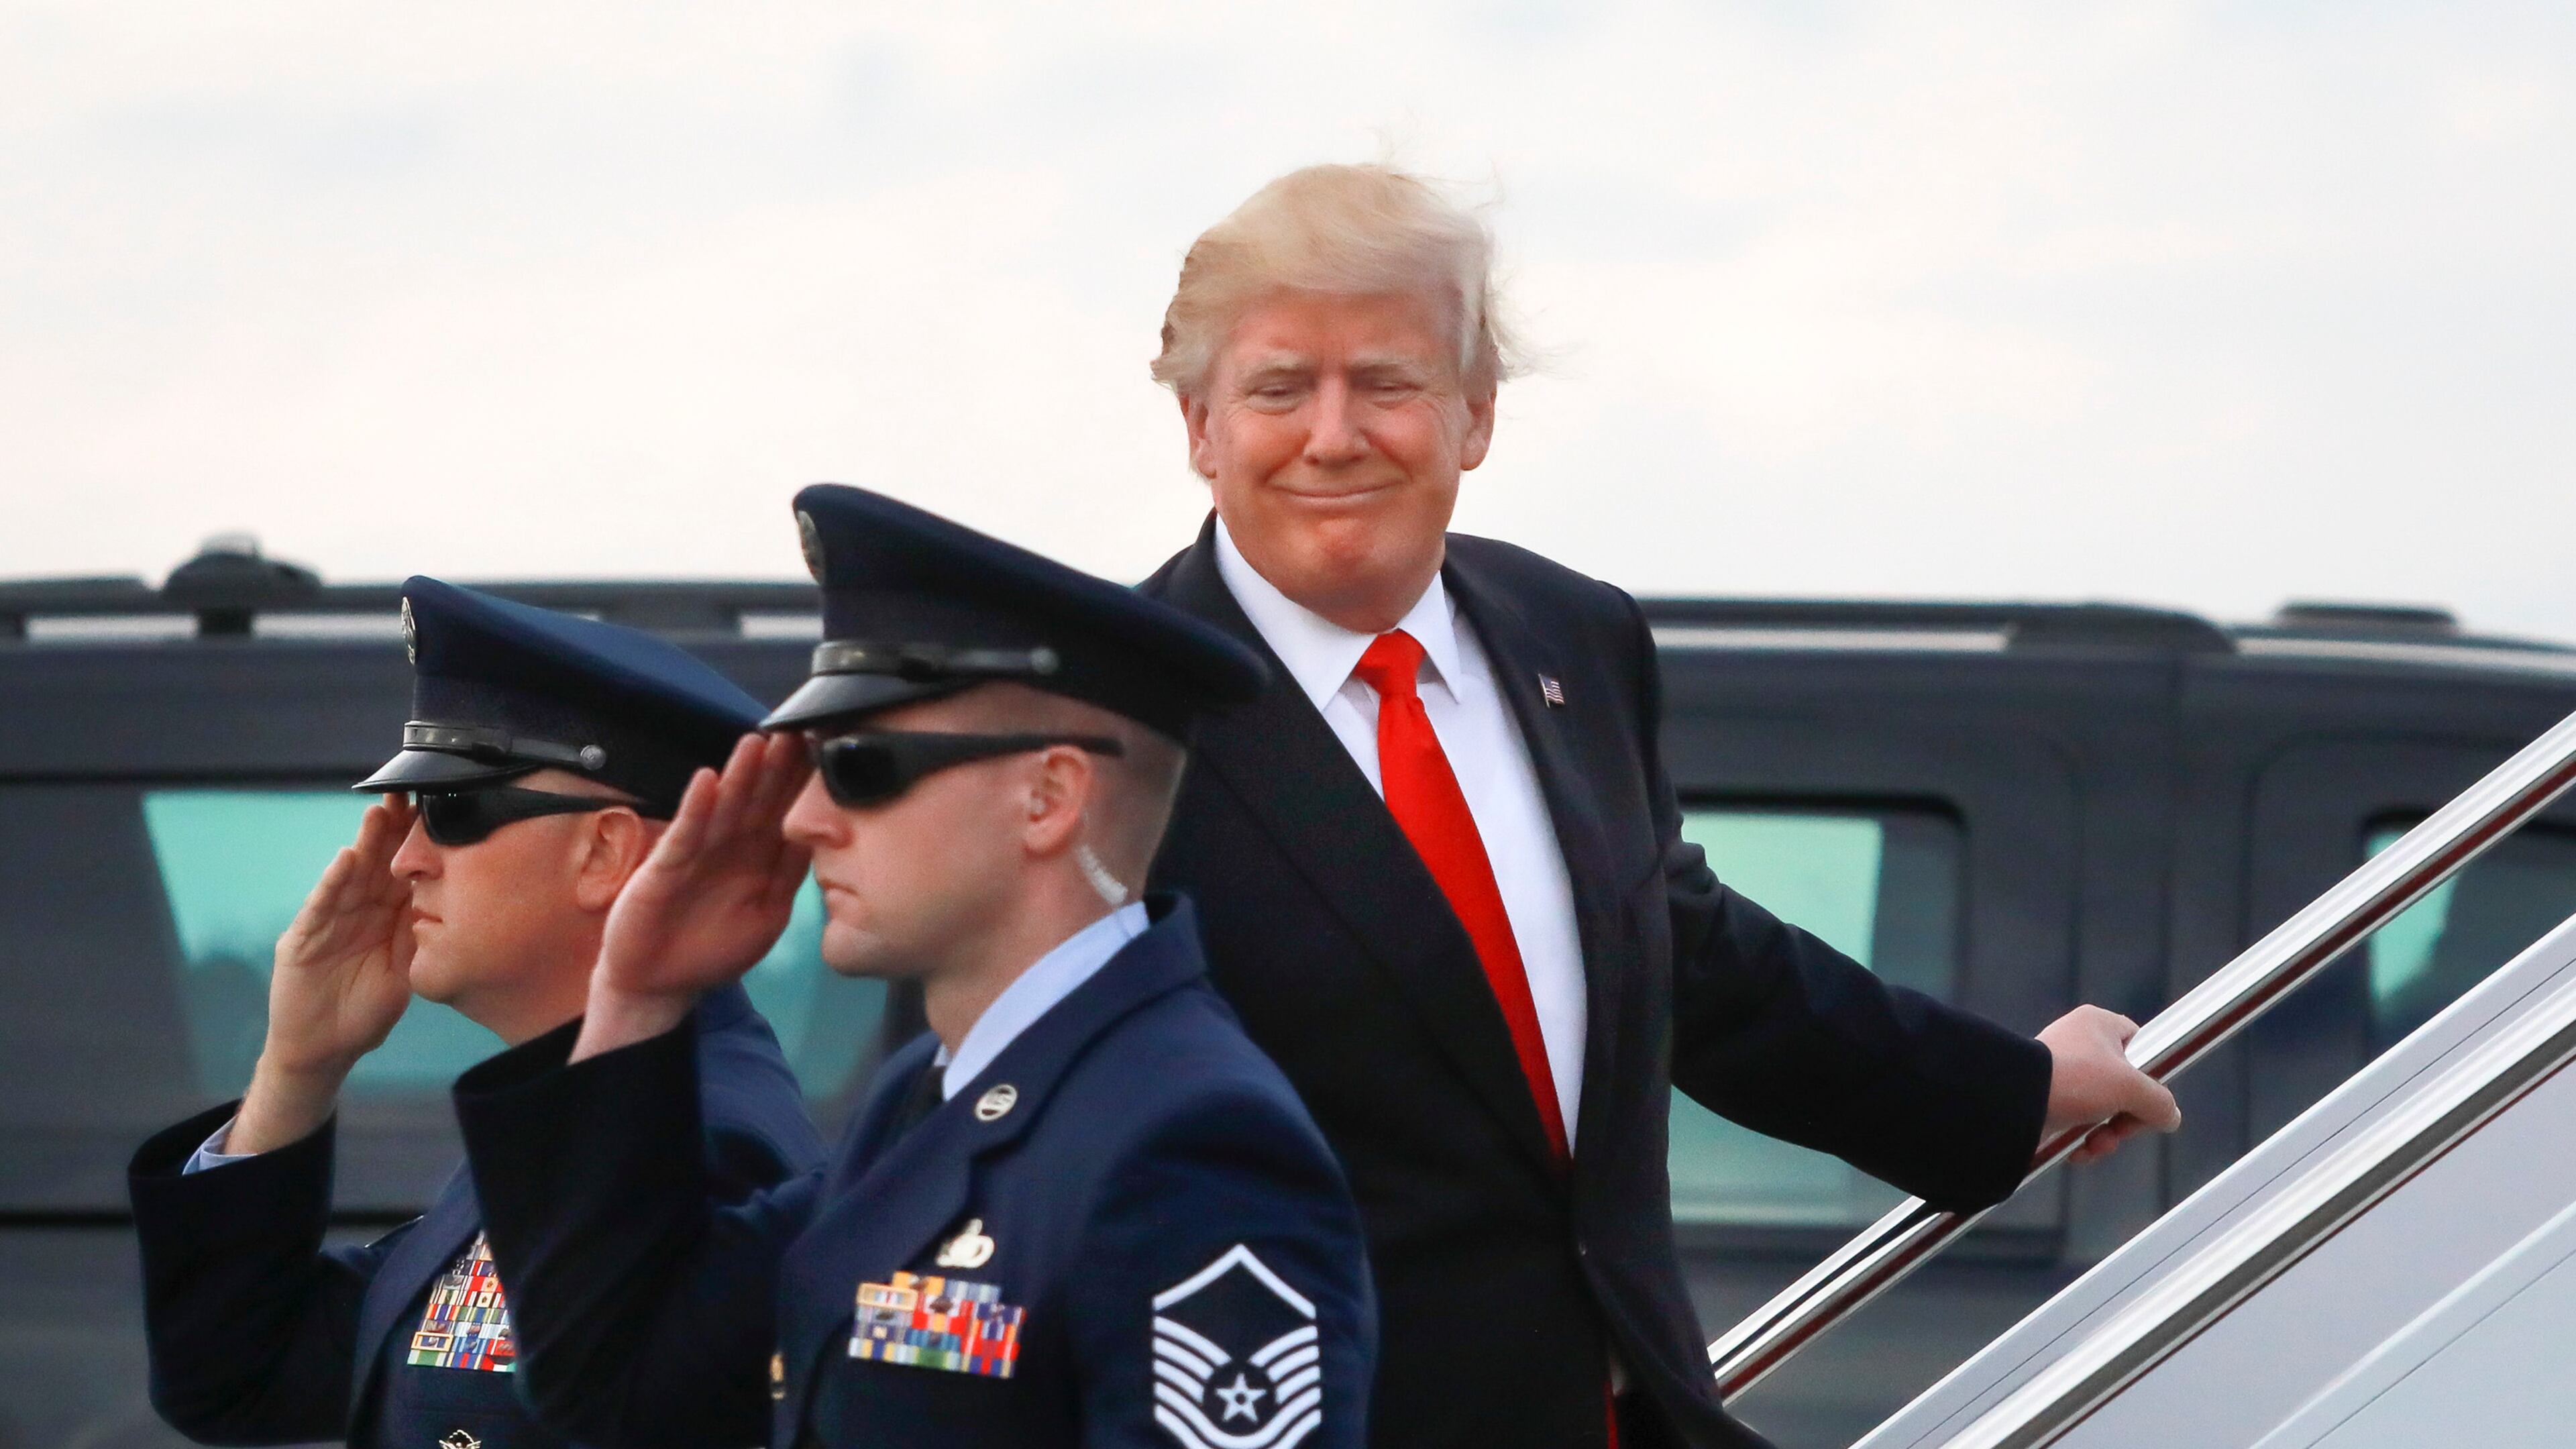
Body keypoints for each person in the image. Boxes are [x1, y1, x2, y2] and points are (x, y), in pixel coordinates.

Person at [1134, 163, 2186, 1449]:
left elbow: (1683, 953)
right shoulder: (1109, 726)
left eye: (1390, 383)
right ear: (1201, 426)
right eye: (1280, 387)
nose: (1336, 434)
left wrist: (2009, 1091)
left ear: (1474, 415)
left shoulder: (1571, 634)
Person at [447, 484, 1376, 1449]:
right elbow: (615, 1390)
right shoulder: (920, 1103)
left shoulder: (1194, 1142)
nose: (805, 821)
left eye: (858, 769)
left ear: (1048, 796)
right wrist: (635, 1001)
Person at [127, 577, 824, 1449]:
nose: (409, 859)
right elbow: (235, 1381)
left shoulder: (700, 1134)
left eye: (454, 810)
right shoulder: (588, 1110)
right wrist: (297, 1067)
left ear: (605, 850)